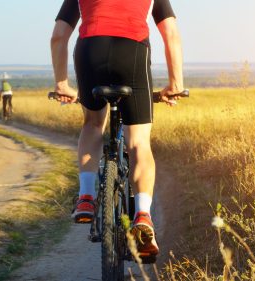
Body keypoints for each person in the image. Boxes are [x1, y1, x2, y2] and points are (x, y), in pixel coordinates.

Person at [50, 0, 185, 259]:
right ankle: (143, 215)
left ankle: (87, 196)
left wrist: (61, 84)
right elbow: (171, 34)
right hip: (131, 51)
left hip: (90, 51)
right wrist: (175, 83)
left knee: (92, 124)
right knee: (138, 143)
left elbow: (58, 37)